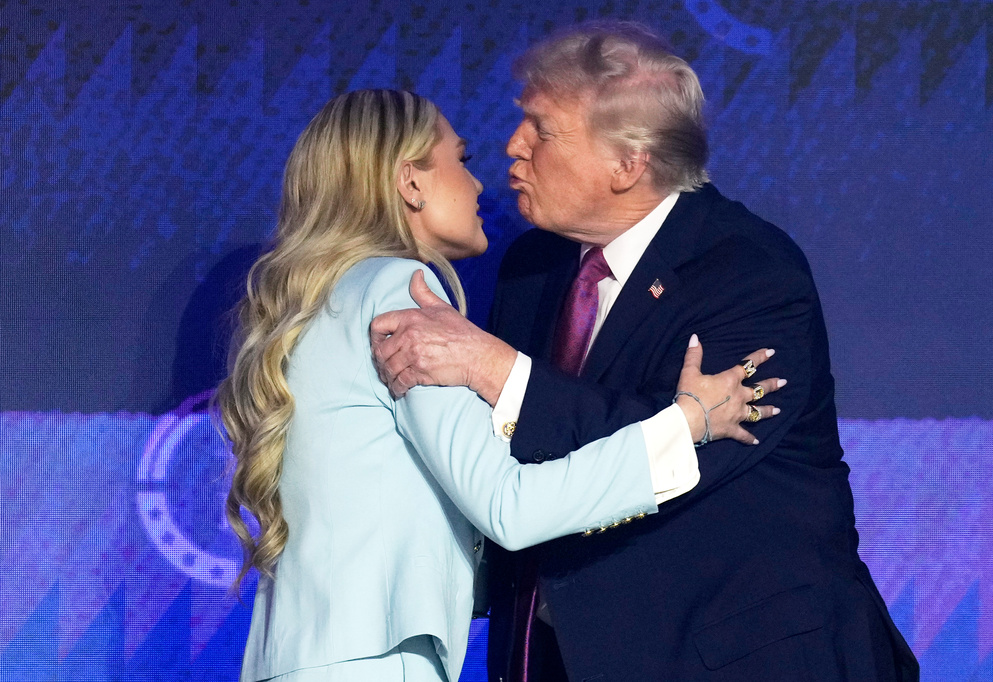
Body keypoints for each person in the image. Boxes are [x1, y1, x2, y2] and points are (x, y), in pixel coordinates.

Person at [370, 24, 920, 682]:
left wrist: (494, 369)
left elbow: (676, 452)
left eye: (541, 130)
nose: (513, 147)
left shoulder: (750, 272)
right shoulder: (530, 269)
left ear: (627, 163)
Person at [215, 88, 783, 682]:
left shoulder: (323, 301)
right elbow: (509, 507)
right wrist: (684, 425)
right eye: (460, 160)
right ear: (411, 182)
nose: (480, 183)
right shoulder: (398, 291)